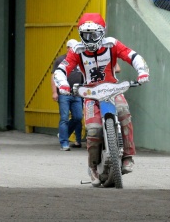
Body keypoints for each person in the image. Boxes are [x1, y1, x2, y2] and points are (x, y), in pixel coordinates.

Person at [53, 13, 150, 187]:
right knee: (93, 130)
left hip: (113, 88)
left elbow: (132, 55)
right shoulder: (77, 51)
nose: (90, 39)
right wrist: (63, 85)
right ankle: (92, 167)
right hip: (90, 93)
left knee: (124, 113)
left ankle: (128, 156)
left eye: (94, 34)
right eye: (86, 35)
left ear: (102, 32)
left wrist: (142, 71)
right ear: (80, 34)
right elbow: (61, 69)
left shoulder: (112, 44)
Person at [51, 39, 84, 151]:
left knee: (78, 117)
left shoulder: (80, 60)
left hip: (77, 94)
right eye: (72, 48)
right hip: (64, 94)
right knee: (64, 118)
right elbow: (54, 76)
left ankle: (63, 134)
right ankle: (64, 143)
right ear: (67, 48)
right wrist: (55, 92)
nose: (74, 50)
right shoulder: (60, 60)